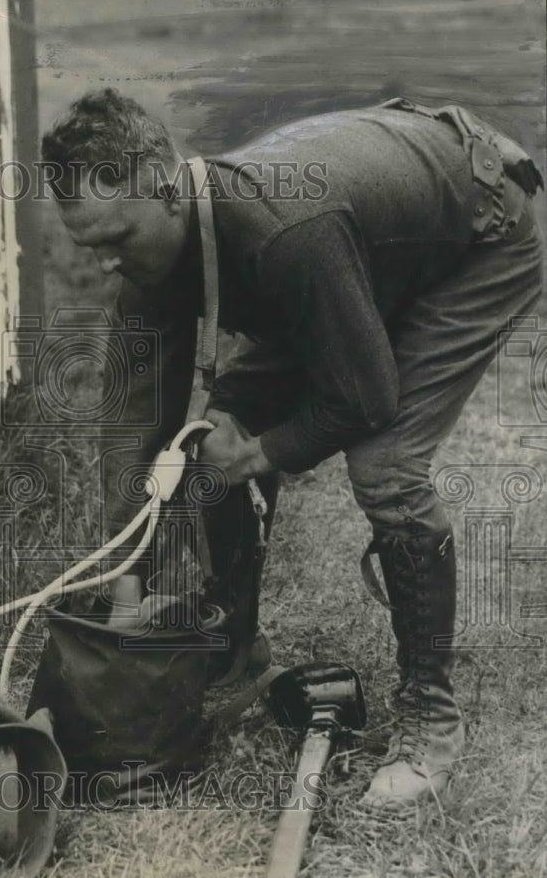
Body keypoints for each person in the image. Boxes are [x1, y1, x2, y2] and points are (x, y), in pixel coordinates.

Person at [39, 89, 544, 810]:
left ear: (167, 189)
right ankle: (238, 657)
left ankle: (429, 714)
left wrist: (263, 455)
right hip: (367, 237)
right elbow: (133, 426)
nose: (108, 268)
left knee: (384, 467)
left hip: (478, 234)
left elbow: (365, 398)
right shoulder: (159, 245)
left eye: (118, 240)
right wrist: (125, 582)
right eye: (94, 249)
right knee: (209, 441)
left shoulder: (284, 233)